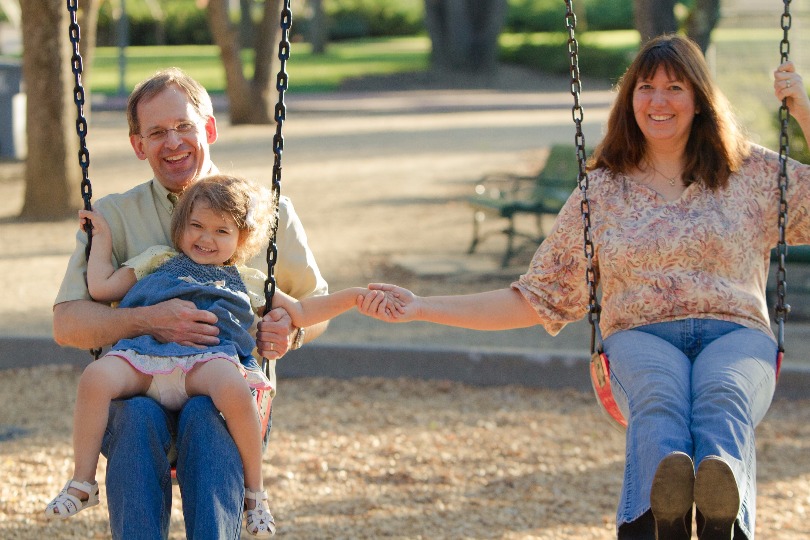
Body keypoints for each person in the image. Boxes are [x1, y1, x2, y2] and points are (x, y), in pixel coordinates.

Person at [358, 35, 810, 540]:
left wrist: (803, 112)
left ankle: (722, 510)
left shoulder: (747, 171)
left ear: (700, 100)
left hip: (736, 332)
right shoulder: (603, 192)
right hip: (642, 333)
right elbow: (536, 296)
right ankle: (664, 519)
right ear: (629, 99)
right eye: (646, 88)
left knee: (722, 393)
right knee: (658, 397)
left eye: (675, 88)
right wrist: (421, 307)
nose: (659, 101)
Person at [52, 67, 334, 539]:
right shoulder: (114, 217)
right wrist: (147, 320)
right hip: (140, 389)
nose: (173, 142)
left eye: (184, 126)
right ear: (138, 145)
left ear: (209, 129)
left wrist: (291, 330)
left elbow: (311, 303)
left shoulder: (266, 212)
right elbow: (68, 324)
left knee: (209, 414)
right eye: (156, 132)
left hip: (223, 389)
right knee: (138, 417)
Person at [45, 175, 396, 536]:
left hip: (205, 364)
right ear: (180, 227)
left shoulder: (251, 280)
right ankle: (82, 481)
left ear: (241, 241)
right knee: (95, 378)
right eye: (196, 226)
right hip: (147, 359)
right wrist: (101, 238)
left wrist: (354, 296)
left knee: (233, 387)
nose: (205, 238)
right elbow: (102, 286)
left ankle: (255, 493)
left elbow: (303, 313)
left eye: (221, 231)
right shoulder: (156, 259)